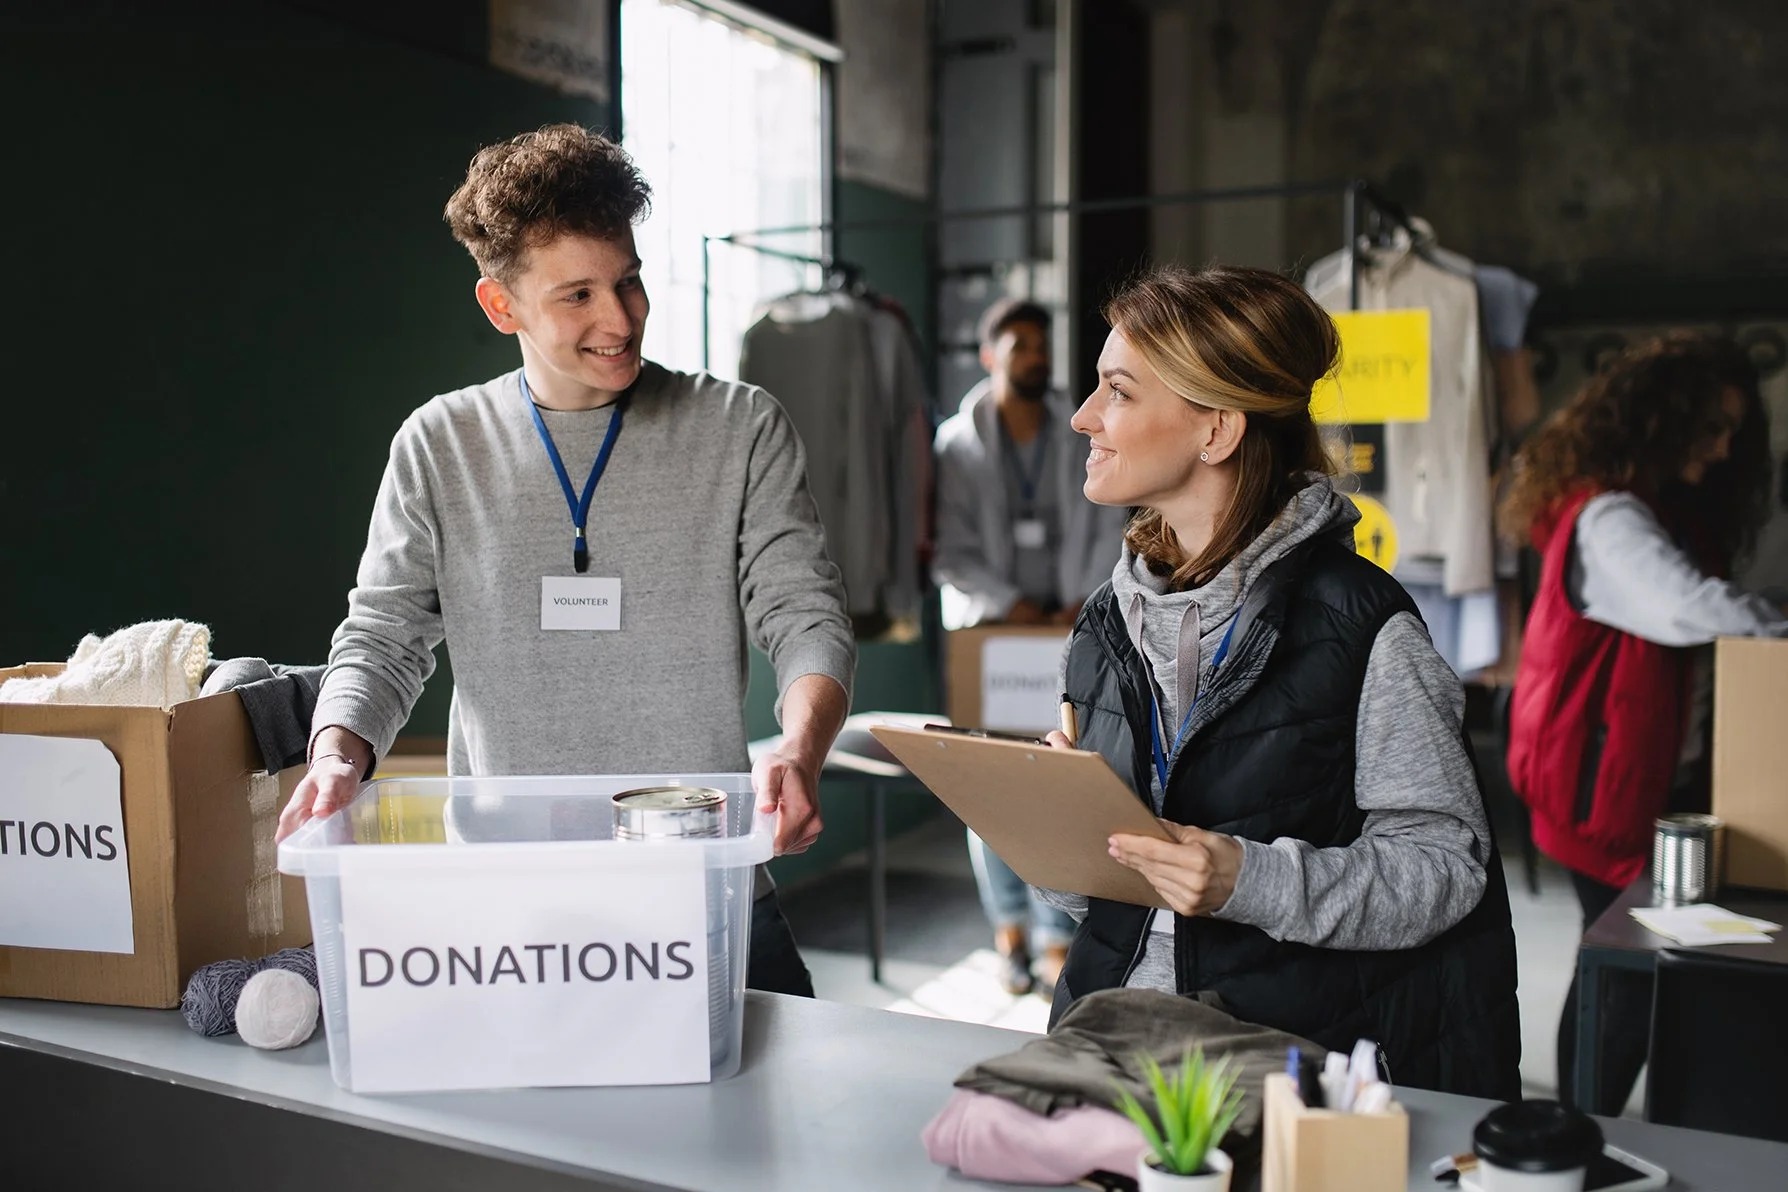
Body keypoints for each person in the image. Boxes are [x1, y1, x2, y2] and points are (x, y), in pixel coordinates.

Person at [273, 125, 855, 998]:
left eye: (627, 281)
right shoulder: (441, 443)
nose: (618, 320)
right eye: (577, 295)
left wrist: (802, 749)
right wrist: (335, 757)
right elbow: (385, 634)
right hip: (509, 903)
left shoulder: (740, 427)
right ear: (501, 307)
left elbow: (803, 612)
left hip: (707, 887)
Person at [1039, 264, 1521, 1099]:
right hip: (1112, 1055)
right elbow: (1099, 907)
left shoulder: (1364, 624)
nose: (1084, 418)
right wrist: (1054, 827)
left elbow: (1447, 868)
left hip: (1290, 1077)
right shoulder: (1101, 629)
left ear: (1217, 430)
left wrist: (1245, 879)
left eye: (1116, 391)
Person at [1501, 332, 1783, 1113]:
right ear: (1660, 423)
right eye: (1710, 428)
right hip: (1603, 789)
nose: (1725, 449)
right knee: (1623, 973)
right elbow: (1693, 608)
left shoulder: (1641, 507)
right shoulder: (1613, 518)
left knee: (1627, 962)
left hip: (1622, 777)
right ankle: (1579, 1135)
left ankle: (1588, 1130)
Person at [934, 298, 1128, 995]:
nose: (1037, 356)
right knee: (991, 787)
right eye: (1020, 345)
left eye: (1042, 345)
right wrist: (1010, 604)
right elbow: (948, 549)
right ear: (990, 356)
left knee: (1059, 776)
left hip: (1068, 626)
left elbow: (1107, 522)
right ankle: (1008, 926)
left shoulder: (1076, 432)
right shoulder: (957, 442)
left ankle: (1054, 935)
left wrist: (1078, 600)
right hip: (991, 632)